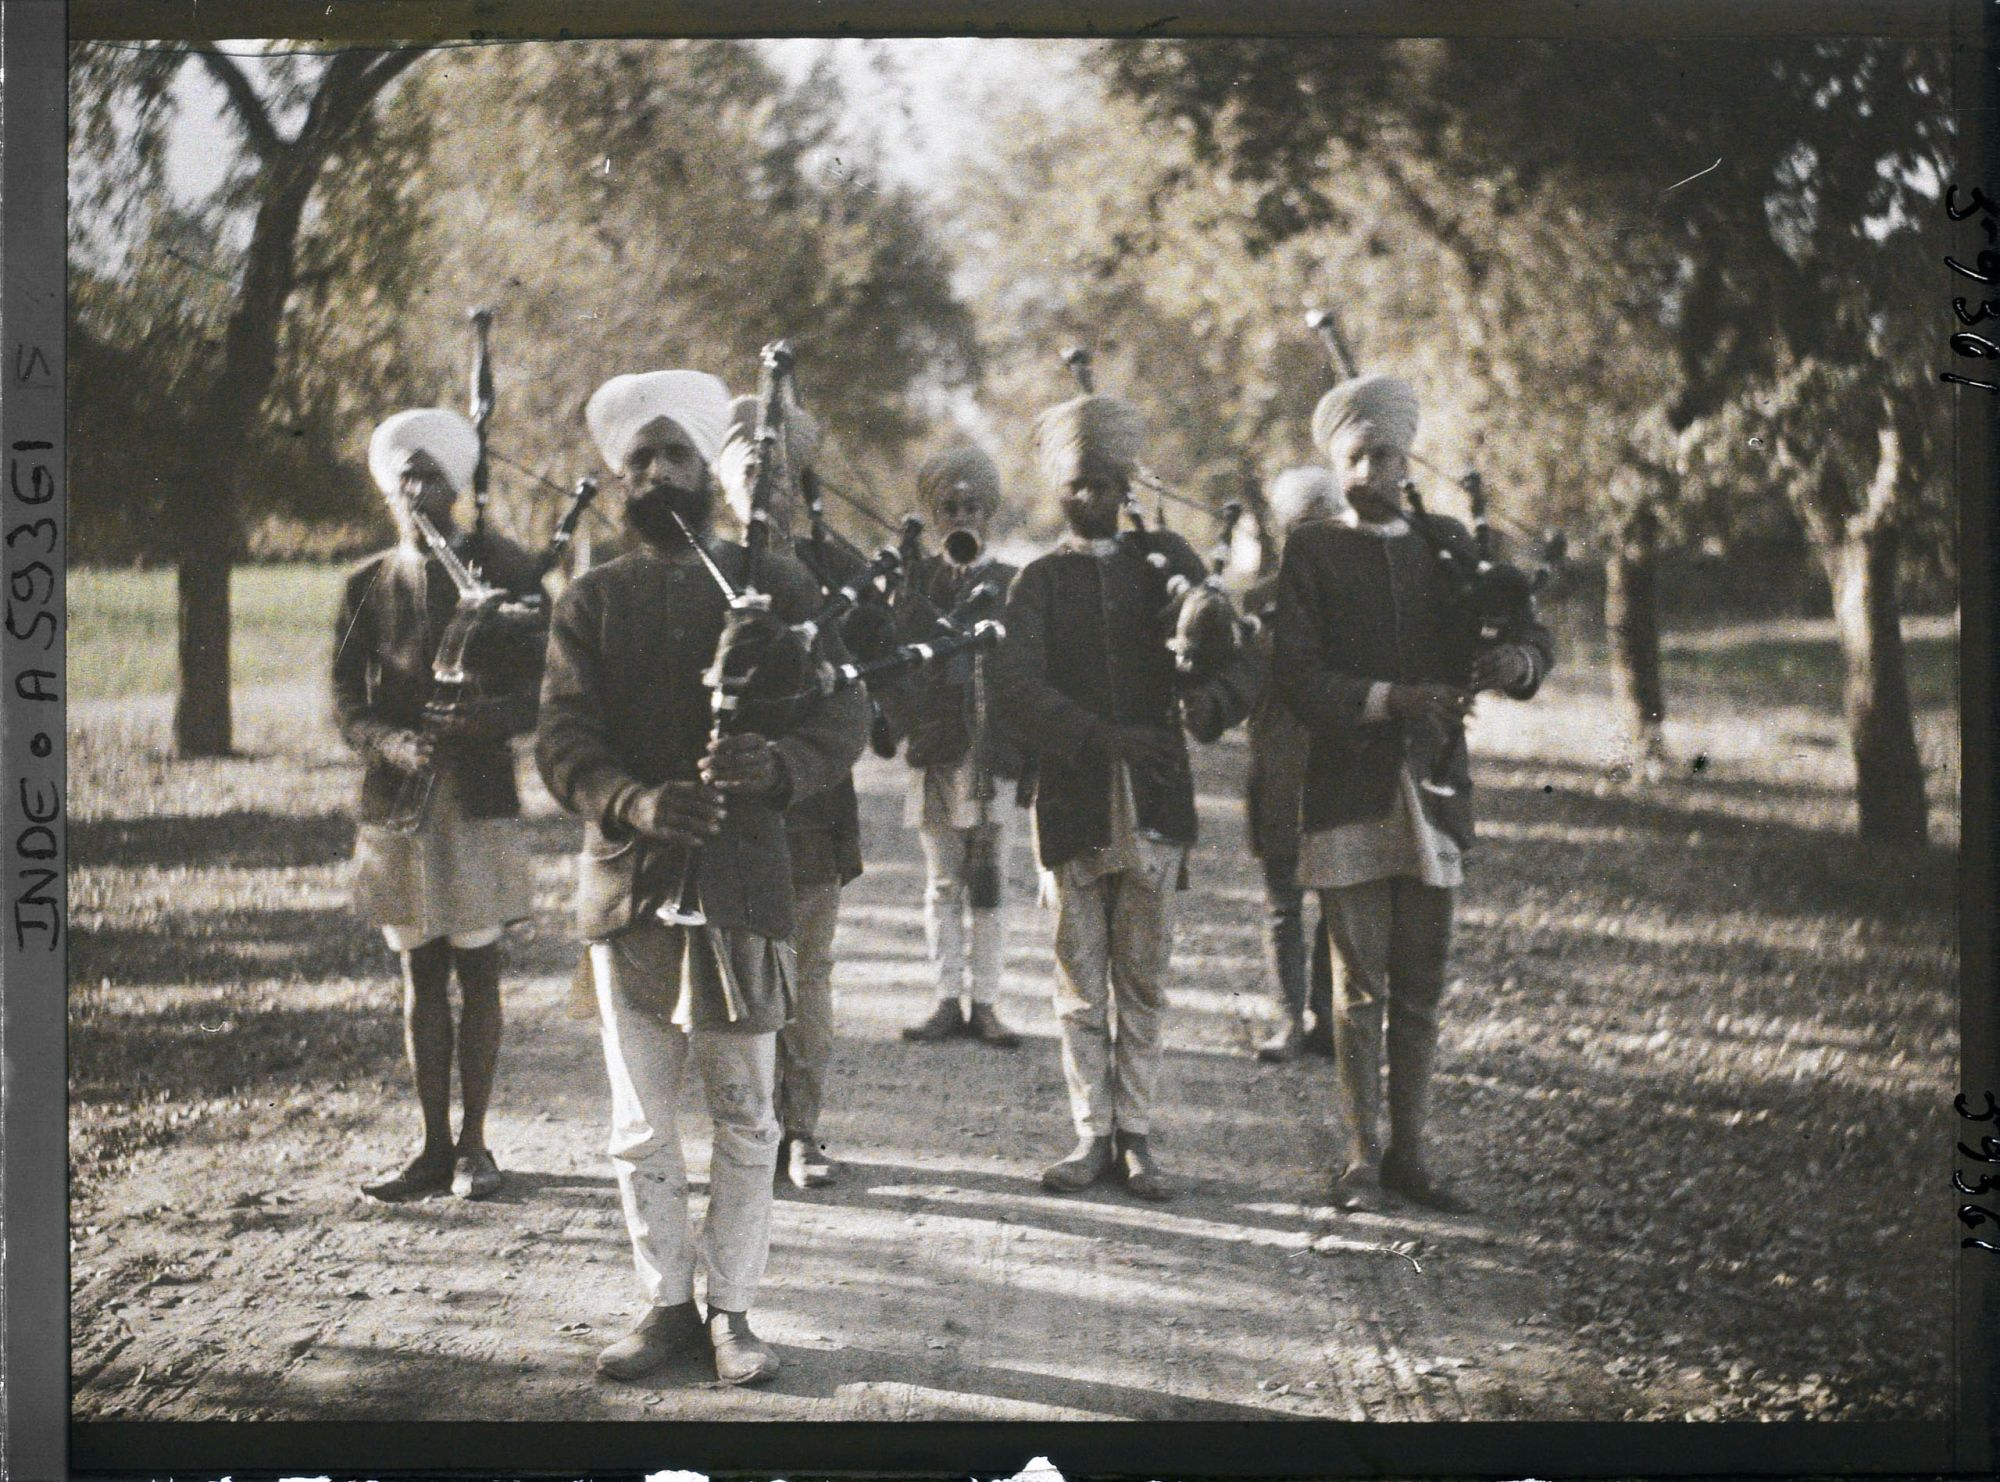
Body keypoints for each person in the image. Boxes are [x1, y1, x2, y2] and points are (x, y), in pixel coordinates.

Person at [537, 368, 868, 1385]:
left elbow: (844, 713)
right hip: (630, 886)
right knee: (640, 1125)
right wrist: (633, 802)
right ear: (618, 475)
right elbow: (562, 741)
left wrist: (778, 767)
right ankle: (663, 1305)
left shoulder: (781, 586)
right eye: (638, 459)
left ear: (705, 468)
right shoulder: (591, 600)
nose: (656, 473)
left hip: (742, 881)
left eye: (674, 453)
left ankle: (732, 1312)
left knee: (746, 1113)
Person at [1272, 374, 1553, 1215]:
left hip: (1434, 788)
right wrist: (1390, 698)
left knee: (1421, 987)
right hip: (1348, 789)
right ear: (1336, 462)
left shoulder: (1448, 544)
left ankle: (1412, 1157)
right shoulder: (1313, 552)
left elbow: (1525, 626)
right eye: (1354, 458)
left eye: (1384, 456)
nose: (1370, 474)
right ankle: (1362, 1158)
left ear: (1408, 459)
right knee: (1359, 987)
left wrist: (1516, 662)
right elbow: (1298, 677)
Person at [992, 393, 1256, 1202]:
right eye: (1076, 484)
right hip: (1071, 799)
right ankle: (1091, 1134)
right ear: (1057, 489)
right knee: (1079, 980)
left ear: (1125, 487)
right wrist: (1103, 737)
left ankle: (1136, 1134)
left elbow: (1236, 655)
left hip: (1155, 800)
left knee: (1142, 976)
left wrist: (1206, 704)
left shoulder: (1164, 564)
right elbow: (1016, 688)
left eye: (1104, 484)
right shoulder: (1039, 582)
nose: (1089, 498)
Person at [334, 408, 543, 1204]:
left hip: (476, 798)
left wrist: (485, 718)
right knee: (419, 971)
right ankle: (431, 1148)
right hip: (398, 804)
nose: (417, 493)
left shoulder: (506, 571)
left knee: (479, 968)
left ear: (458, 487)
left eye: (432, 478)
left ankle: (476, 1146)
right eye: (404, 480)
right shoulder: (367, 583)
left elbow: (541, 688)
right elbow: (346, 701)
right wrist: (388, 742)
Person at [713, 390, 875, 1189]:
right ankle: (746, 1128)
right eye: (749, 470)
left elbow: (864, 689)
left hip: (810, 803)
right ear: (722, 480)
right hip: (719, 810)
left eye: (779, 473)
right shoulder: (702, 564)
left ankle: (802, 1130)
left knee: (806, 974)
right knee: (730, 977)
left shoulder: (834, 571)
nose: (764, 488)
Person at [885, 445, 1026, 1049]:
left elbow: (1025, 670)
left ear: (987, 514)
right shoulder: (918, 581)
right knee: (943, 880)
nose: (961, 516)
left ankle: (986, 1004)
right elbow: (895, 661)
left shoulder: (1012, 582)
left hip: (993, 753)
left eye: (972, 507)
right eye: (950, 507)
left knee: (990, 876)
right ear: (936, 516)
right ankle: (946, 999)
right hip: (938, 750)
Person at [1245, 467, 1346, 1063]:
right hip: (1280, 763)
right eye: (1304, 525)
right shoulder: (1259, 601)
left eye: (1327, 522)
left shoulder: (1356, 597)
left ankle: (1327, 1018)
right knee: (1284, 904)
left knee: (1335, 900)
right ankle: (1288, 1020)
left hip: (1339, 765)